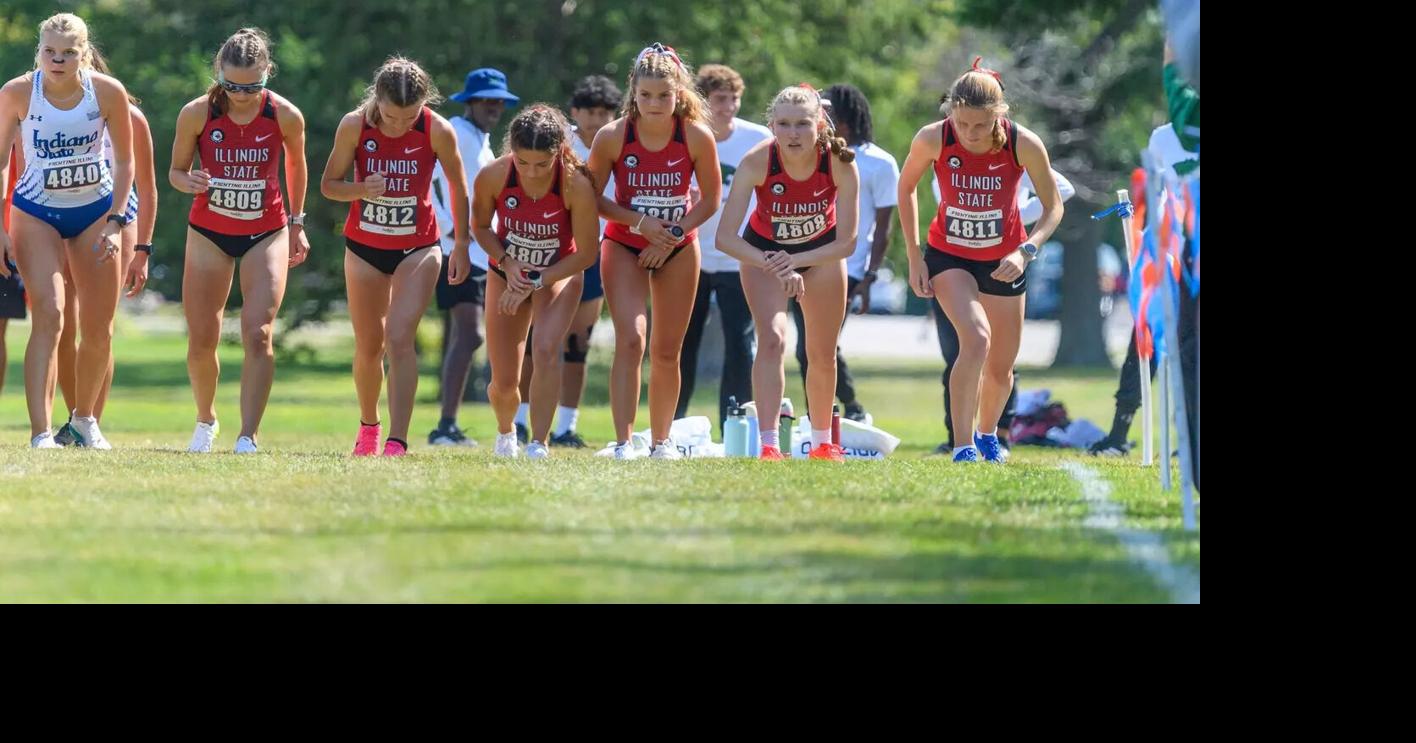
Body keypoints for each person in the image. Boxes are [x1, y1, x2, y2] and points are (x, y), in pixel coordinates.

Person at [896, 58, 1064, 463]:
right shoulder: (932, 138)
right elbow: (907, 190)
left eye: (980, 125)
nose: (969, 133)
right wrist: (915, 256)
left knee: (1001, 367)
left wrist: (1026, 251)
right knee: (975, 340)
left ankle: (989, 434)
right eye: (962, 123)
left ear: (998, 116)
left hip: (1005, 261)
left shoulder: (1023, 143)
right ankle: (963, 445)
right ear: (951, 109)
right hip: (949, 255)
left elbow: (1053, 207)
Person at [320, 56, 471, 456]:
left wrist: (461, 244)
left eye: (409, 117)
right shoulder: (354, 125)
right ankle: (369, 426)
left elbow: (458, 188)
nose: (400, 125)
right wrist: (361, 189)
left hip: (419, 246)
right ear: (377, 100)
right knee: (369, 345)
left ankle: (398, 441)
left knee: (399, 337)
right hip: (365, 248)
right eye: (391, 116)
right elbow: (329, 185)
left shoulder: (437, 130)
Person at [169, 28, 309, 454]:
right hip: (209, 231)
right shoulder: (197, 114)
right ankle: (205, 419)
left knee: (259, 331)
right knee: (201, 337)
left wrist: (297, 223)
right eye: (232, 85)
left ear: (267, 74)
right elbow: (175, 172)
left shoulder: (285, 115)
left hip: (266, 231)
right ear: (219, 73)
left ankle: (248, 435)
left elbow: (296, 166)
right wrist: (187, 180)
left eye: (252, 86)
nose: (242, 94)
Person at [586, 43, 720, 460]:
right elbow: (592, 198)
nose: (655, 103)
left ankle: (662, 442)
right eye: (646, 95)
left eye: (664, 95)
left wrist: (673, 234)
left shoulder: (696, 136)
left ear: (679, 92)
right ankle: (624, 442)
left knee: (666, 350)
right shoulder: (613, 136)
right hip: (625, 244)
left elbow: (710, 200)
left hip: (679, 247)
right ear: (633, 92)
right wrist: (641, 224)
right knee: (632, 339)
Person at [712, 83, 859, 461]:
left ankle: (824, 441)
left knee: (821, 352)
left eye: (803, 124)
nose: (793, 133)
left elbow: (847, 243)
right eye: (784, 124)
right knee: (773, 338)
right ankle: (769, 443)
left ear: (820, 127)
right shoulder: (757, 161)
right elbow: (725, 239)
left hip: (821, 256)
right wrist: (776, 264)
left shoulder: (840, 162)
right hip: (764, 258)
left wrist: (796, 261)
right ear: (772, 126)